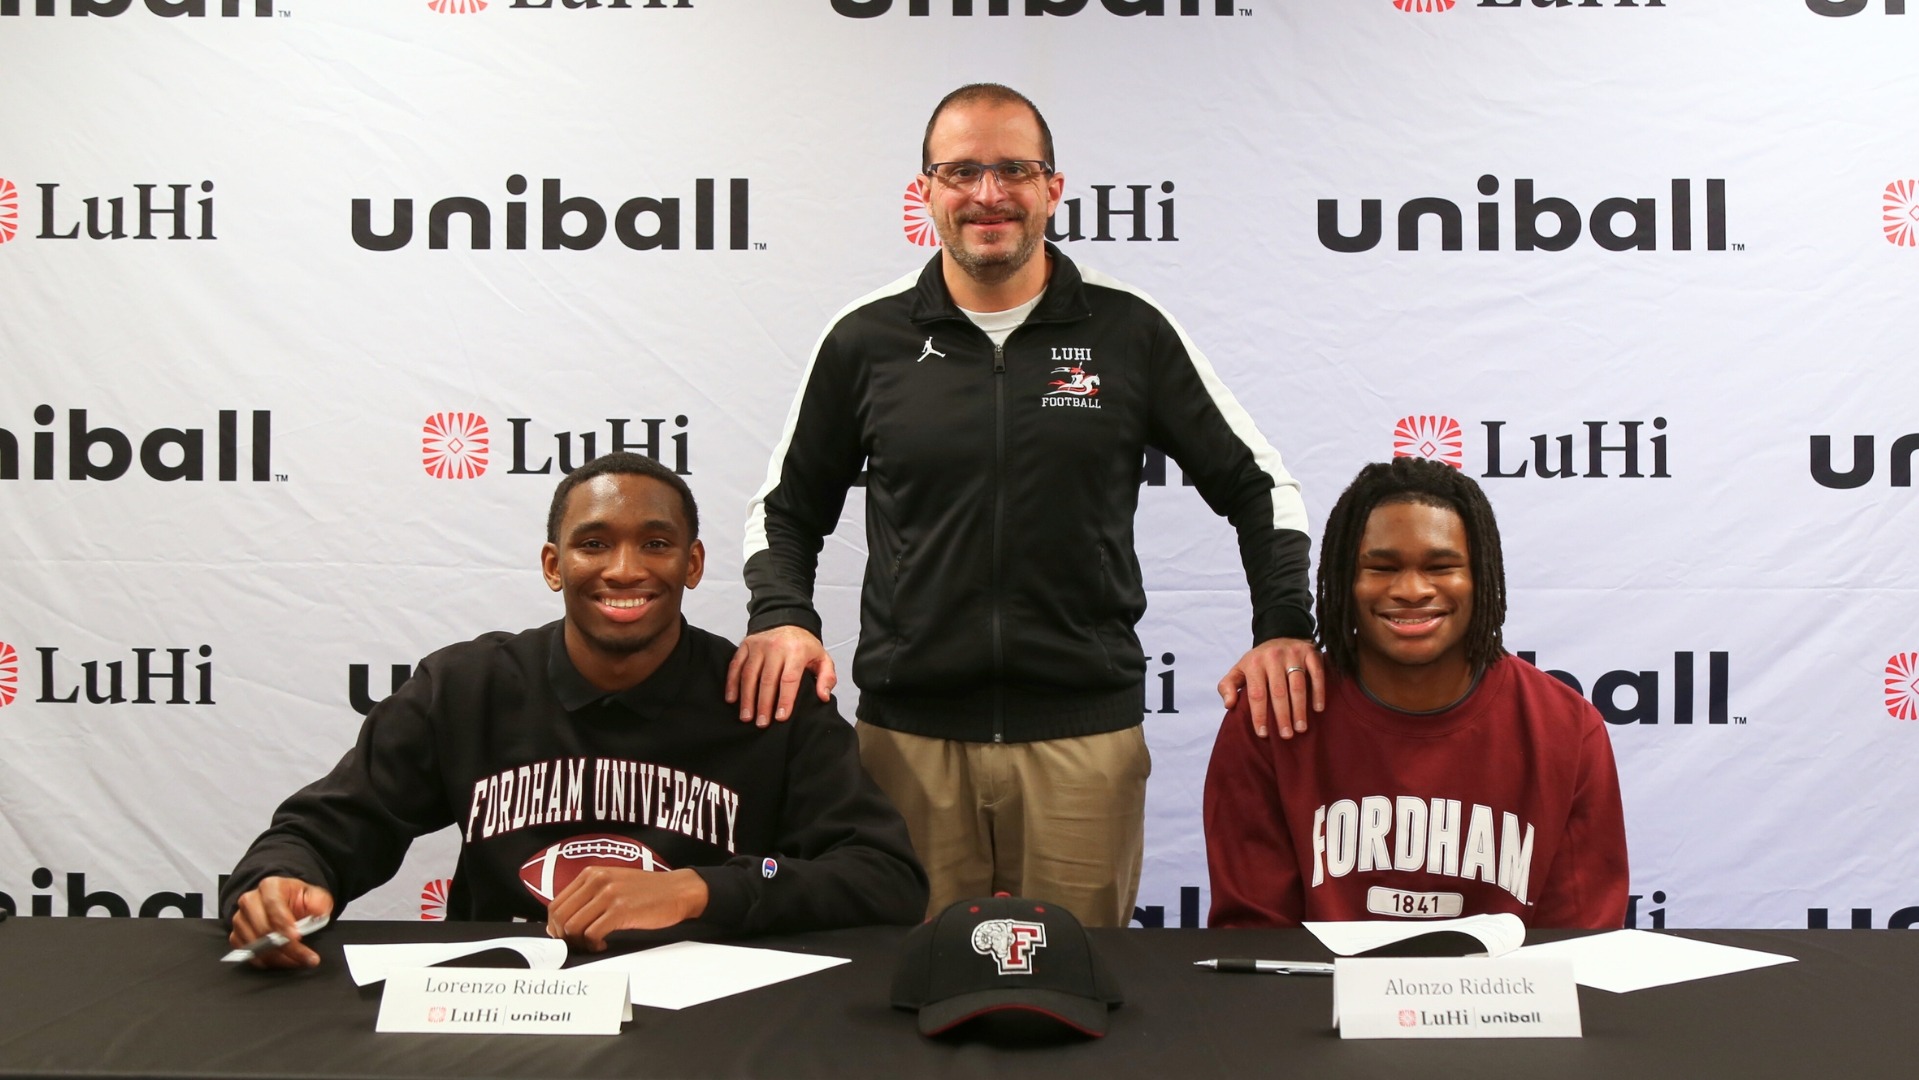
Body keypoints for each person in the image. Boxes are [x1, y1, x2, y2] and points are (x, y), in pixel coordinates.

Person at [727, 83, 1319, 928]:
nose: (988, 194)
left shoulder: (1128, 331)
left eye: (1014, 169)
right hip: (907, 744)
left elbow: (1262, 489)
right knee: (892, 1005)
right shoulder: (866, 339)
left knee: (1079, 999)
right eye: (961, 170)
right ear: (924, 190)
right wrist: (782, 616)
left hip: (1082, 744)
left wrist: (1284, 628)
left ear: (1053, 187)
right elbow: (784, 510)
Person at [221, 452, 927, 968]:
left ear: (693, 563)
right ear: (554, 565)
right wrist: (281, 880)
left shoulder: (767, 697)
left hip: (708, 1030)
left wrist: (700, 892)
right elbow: (329, 826)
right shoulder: (466, 688)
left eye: (655, 543)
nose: (624, 569)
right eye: (594, 544)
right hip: (502, 1013)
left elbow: (884, 877)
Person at [1204, 457, 1628, 929]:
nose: (1410, 589)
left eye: (1441, 565)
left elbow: (1580, 945)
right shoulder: (1272, 713)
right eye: (1381, 568)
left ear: (1482, 577)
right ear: (1343, 580)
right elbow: (1252, 940)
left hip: (1505, 1001)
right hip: (1316, 1000)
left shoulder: (1565, 728)